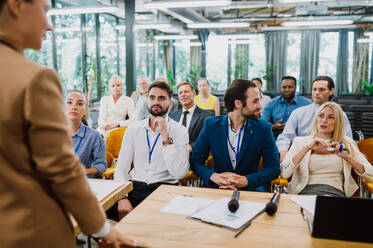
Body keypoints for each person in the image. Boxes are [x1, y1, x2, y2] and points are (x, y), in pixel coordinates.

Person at [0, 0, 134, 247]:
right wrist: (102, 228)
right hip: (29, 231)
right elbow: (61, 169)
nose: (49, 26)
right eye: (44, 10)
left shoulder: (91, 135)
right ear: (16, 5)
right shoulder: (35, 79)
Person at [114, 80, 189, 219]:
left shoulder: (179, 131)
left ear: (170, 103)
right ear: (147, 100)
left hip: (165, 189)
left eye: (161, 98)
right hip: (134, 188)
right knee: (95, 213)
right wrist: (122, 198)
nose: (156, 102)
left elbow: (179, 174)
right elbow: (121, 169)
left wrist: (165, 136)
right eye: (152, 97)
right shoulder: (133, 129)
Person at [190, 79, 280, 191]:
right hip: (217, 189)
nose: (260, 106)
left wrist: (246, 180)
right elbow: (195, 161)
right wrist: (213, 176)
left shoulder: (263, 128)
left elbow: (274, 168)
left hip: (250, 191)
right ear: (238, 103)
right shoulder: (211, 125)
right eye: (255, 101)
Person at [281, 102, 373, 196]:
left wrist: (347, 157)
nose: (324, 120)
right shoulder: (301, 142)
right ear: (316, 119)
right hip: (305, 192)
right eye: (321, 116)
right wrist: (306, 148)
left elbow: (371, 175)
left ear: (338, 122)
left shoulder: (346, 143)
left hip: (335, 193)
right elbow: (284, 173)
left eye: (330, 117)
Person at [277, 76, 352, 162]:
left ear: (331, 91)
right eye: (314, 89)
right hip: (302, 158)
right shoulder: (298, 113)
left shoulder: (340, 115)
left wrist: (340, 151)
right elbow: (285, 136)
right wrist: (283, 152)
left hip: (332, 158)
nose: (316, 92)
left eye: (321, 89)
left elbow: (348, 142)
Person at [65, 90, 106, 178]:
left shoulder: (94, 136)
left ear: (85, 110)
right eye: (69, 102)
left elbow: (101, 166)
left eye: (79, 104)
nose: (74, 107)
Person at [169, 82, 213, 153]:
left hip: (194, 157)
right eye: (180, 93)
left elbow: (207, 139)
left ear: (194, 93)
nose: (183, 95)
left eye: (186, 92)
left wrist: (191, 147)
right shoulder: (172, 116)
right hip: (174, 157)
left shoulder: (206, 116)